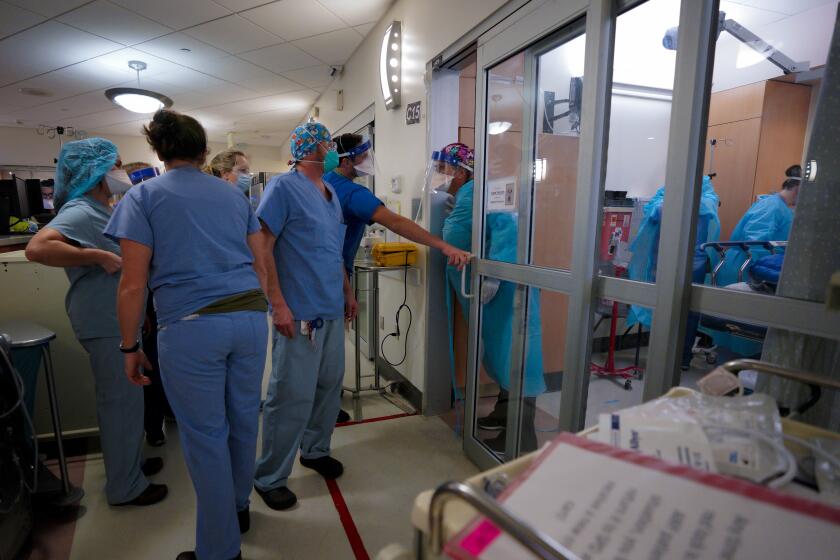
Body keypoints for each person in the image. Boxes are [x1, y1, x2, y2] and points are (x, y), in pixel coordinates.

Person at [104, 110, 270, 560]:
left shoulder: (144, 197)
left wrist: (130, 346)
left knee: (205, 436)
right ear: (202, 150)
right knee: (242, 420)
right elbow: (260, 263)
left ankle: (219, 550)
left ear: (158, 150)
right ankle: (238, 509)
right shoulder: (235, 196)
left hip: (192, 327)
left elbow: (133, 283)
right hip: (252, 321)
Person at [25, 138, 167, 507]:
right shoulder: (81, 210)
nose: (121, 172)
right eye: (115, 165)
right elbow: (37, 248)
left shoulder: (103, 208)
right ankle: (125, 487)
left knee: (127, 402)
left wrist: (140, 320)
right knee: (120, 404)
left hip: (117, 321)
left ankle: (129, 467)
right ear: (96, 171)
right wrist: (97, 256)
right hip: (102, 322)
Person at [254, 122, 357, 511]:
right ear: (309, 148)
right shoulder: (283, 188)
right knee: (289, 395)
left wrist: (348, 294)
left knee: (329, 386)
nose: (332, 148)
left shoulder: (329, 193)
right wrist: (278, 303)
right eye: (327, 143)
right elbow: (263, 248)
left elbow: (333, 251)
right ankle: (269, 476)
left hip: (330, 307)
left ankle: (315, 450)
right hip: (298, 313)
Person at [438, 143, 545, 455]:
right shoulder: (472, 193)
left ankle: (523, 441)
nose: (443, 176)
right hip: (491, 294)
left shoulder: (480, 192)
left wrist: (495, 274)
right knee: (503, 358)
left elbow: (507, 232)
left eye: (446, 169)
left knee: (517, 360)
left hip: (503, 290)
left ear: (460, 170)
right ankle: (504, 419)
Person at [325, 133, 471, 276]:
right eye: (363, 156)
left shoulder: (325, 179)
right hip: (334, 273)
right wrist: (445, 247)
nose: (368, 160)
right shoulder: (354, 194)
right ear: (345, 162)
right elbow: (396, 223)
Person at [626, 175, 721, 368]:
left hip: (693, 265)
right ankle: (661, 354)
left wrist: (675, 199)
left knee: (689, 311)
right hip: (664, 262)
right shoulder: (666, 197)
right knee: (662, 307)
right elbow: (654, 211)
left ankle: (683, 357)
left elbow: (693, 208)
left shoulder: (707, 200)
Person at [715, 164, 801, 288]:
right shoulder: (772, 206)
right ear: (798, 188)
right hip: (743, 268)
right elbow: (755, 243)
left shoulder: (781, 208)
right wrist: (769, 270)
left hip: (752, 267)